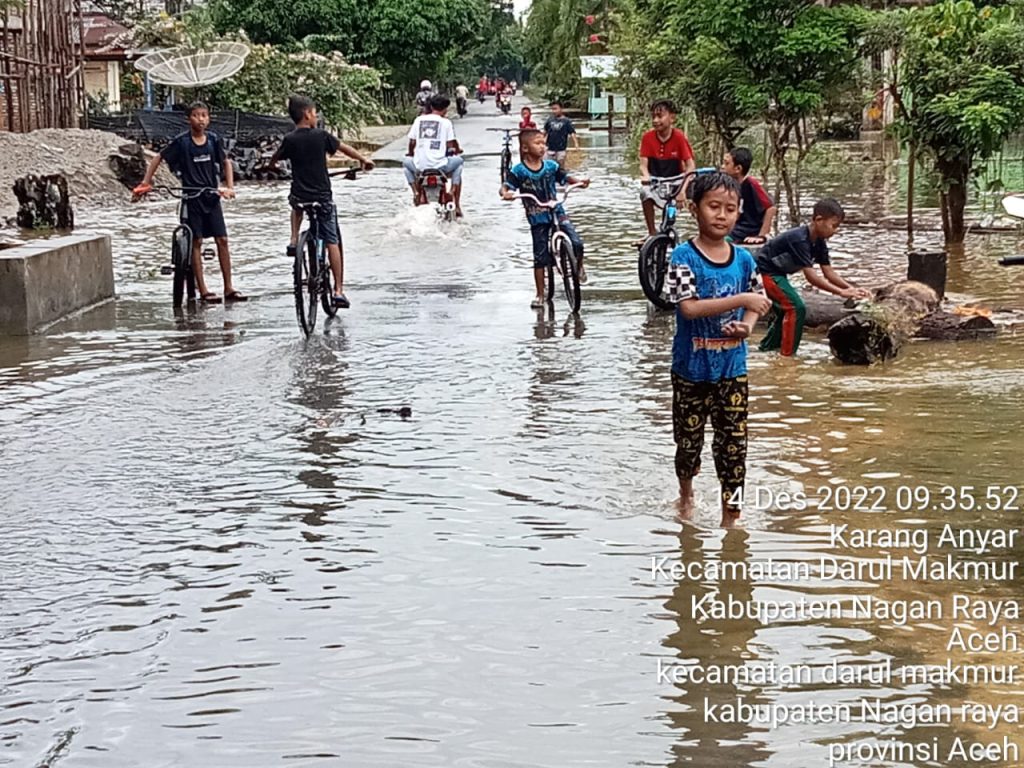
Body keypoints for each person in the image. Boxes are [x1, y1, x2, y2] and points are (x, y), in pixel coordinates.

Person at [665, 172, 771, 527]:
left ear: (739, 212)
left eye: (730, 208)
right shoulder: (683, 256)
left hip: (732, 371)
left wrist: (747, 326)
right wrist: (740, 299)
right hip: (691, 372)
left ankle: (731, 519)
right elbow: (689, 308)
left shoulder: (744, 260)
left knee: (735, 450)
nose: (722, 215)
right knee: (688, 443)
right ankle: (686, 493)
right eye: (714, 207)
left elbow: (758, 302)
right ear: (694, 209)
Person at [267, 94, 375, 309]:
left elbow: (274, 159)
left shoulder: (290, 139)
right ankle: (338, 291)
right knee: (332, 240)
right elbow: (344, 148)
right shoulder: (321, 136)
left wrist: (271, 167)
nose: (316, 117)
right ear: (307, 114)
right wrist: (363, 160)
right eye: (315, 113)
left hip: (301, 195)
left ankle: (294, 239)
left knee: (295, 204)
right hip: (322, 197)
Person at [134, 101, 243, 303]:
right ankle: (203, 290)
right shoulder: (182, 142)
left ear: (208, 118)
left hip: (212, 197)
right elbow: (158, 158)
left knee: (223, 240)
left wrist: (229, 187)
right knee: (196, 242)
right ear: (188, 119)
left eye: (204, 115)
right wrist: (145, 183)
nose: (200, 119)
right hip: (191, 198)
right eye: (196, 115)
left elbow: (226, 162)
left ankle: (229, 287)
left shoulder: (213, 140)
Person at [756, 198, 871, 357]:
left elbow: (828, 273)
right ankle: (787, 356)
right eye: (833, 225)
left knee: (785, 311)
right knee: (796, 308)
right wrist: (840, 293)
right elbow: (811, 277)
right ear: (818, 220)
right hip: (763, 272)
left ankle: (767, 349)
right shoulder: (800, 239)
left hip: (777, 273)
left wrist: (850, 288)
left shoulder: (819, 242)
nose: (835, 230)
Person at [500, 129, 591, 307]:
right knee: (540, 257)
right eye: (538, 144)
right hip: (537, 216)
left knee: (577, 242)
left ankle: (578, 267)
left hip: (556, 209)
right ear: (525, 148)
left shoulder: (551, 166)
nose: (542, 147)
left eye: (543, 143)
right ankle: (540, 294)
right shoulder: (519, 171)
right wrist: (506, 193)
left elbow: (564, 177)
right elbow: (506, 186)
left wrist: (579, 182)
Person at [639, 99, 696, 236]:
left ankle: (702, 231)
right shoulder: (647, 138)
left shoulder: (679, 137)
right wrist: (646, 177)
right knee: (644, 193)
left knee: (699, 192)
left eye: (660, 116)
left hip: (677, 179)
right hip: (656, 180)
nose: (656, 120)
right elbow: (643, 165)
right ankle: (651, 232)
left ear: (672, 118)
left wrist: (682, 190)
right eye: (653, 117)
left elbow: (690, 166)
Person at [404, 94, 465, 217]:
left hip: (420, 166)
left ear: (431, 106)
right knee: (459, 162)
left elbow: (412, 142)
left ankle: (416, 192)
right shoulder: (446, 123)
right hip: (441, 166)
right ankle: (454, 198)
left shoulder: (418, 120)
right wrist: (457, 150)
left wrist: (411, 153)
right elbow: (450, 144)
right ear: (445, 109)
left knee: (406, 164)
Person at [721, 147, 776, 244]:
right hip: (736, 229)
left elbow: (771, 208)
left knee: (721, 241)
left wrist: (762, 235)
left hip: (748, 230)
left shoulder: (751, 184)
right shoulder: (733, 185)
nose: (722, 167)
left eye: (726, 164)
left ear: (738, 168)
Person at [543, 101, 580, 168]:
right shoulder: (549, 120)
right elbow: (545, 132)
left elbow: (572, 132)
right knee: (548, 166)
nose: (554, 111)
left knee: (561, 166)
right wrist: (541, 143)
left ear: (561, 109)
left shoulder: (566, 121)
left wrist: (576, 144)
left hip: (561, 148)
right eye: (552, 109)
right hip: (550, 147)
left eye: (556, 109)